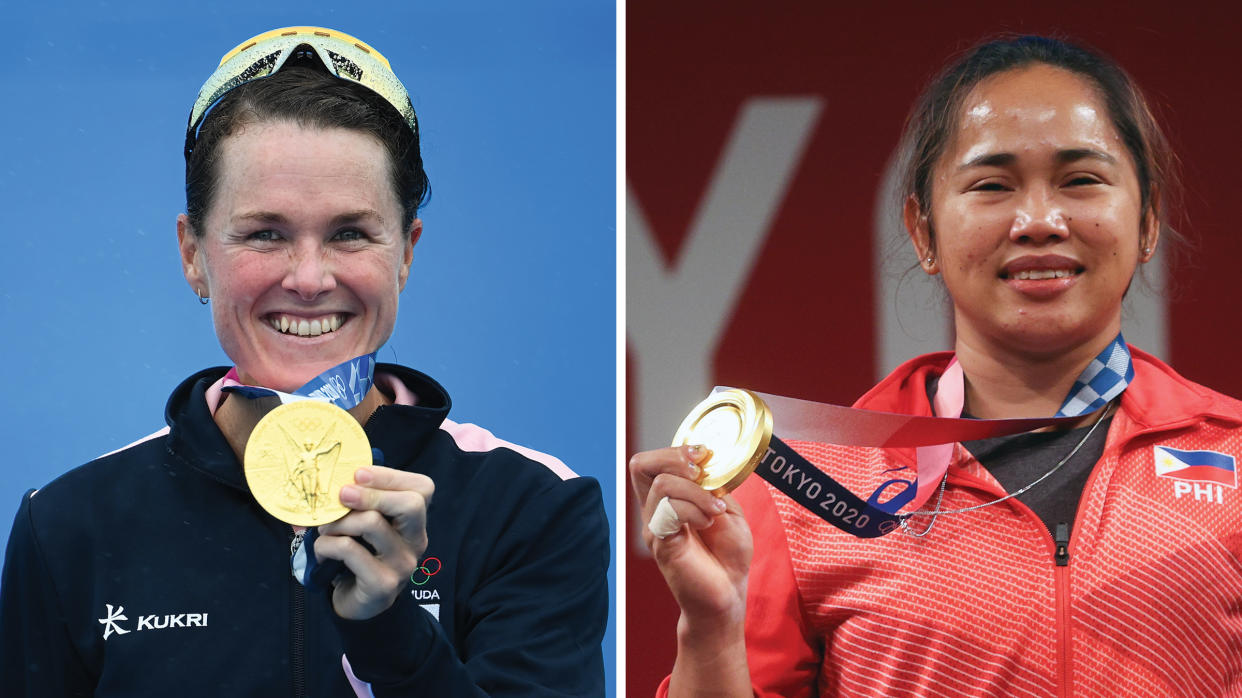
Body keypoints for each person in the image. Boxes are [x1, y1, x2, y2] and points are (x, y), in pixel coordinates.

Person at [0, 26, 608, 696]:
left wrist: (392, 638)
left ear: (406, 252)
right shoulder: (70, 527)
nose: (310, 278)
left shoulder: (528, 507)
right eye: (266, 233)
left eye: (350, 233)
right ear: (193, 253)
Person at [630, 35, 1242, 697]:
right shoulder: (802, 486)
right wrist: (711, 627)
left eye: (1081, 180)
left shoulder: (1233, 455)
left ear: (1148, 220)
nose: (1038, 220)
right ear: (923, 233)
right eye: (991, 185)